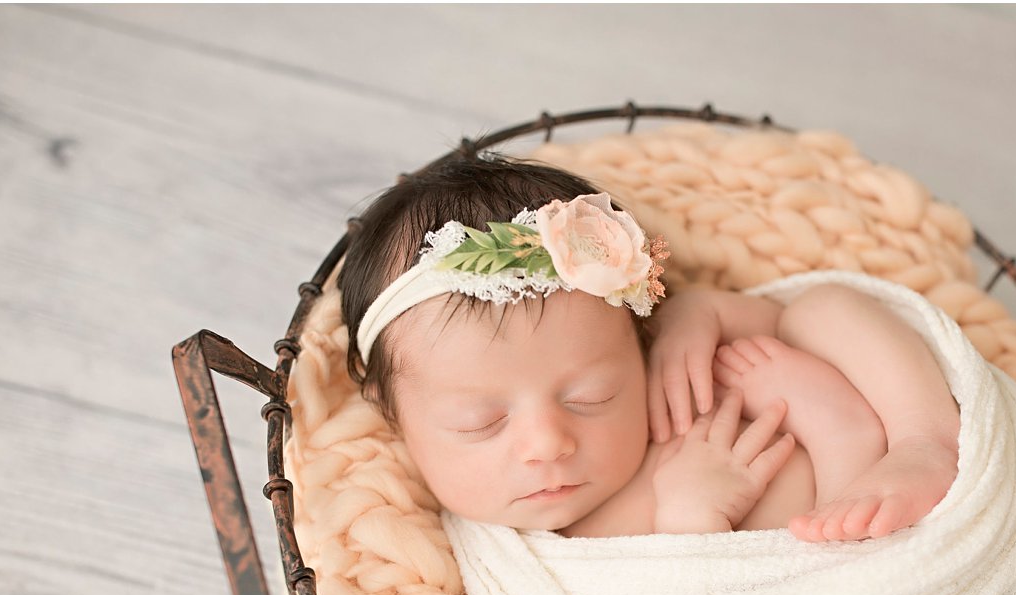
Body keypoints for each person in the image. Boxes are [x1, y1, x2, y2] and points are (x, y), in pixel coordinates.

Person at [340, 154, 961, 541]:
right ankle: (858, 441)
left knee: (829, 307)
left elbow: (783, 318)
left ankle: (926, 438)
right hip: (843, 537)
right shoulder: (542, 552)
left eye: (592, 396)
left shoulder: (667, 356)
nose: (549, 442)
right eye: (481, 423)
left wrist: (702, 313)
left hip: (885, 457)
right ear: (392, 411)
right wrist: (693, 521)